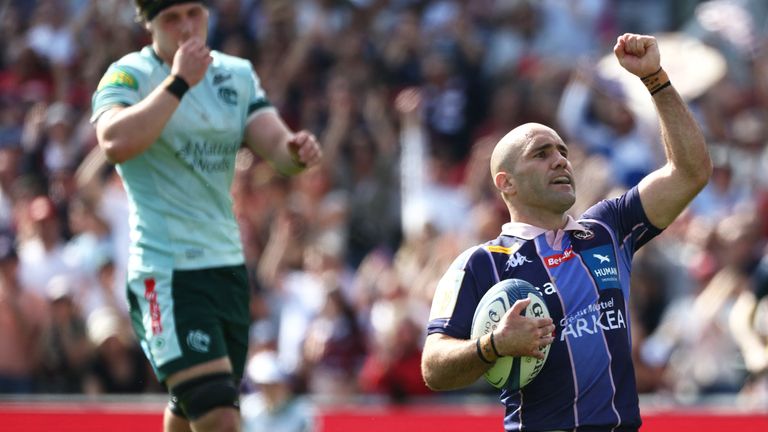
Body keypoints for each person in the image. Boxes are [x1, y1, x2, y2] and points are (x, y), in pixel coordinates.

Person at [421, 33, 712, 431]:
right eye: (541, 154)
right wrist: (493, 345)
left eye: (562, 152)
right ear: (506, 183)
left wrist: (655, 79)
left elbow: (691, 172)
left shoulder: (607, 228)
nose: (560, 161)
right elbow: (433, 367)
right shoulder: (482, 263)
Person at [90, 2, 322, 432]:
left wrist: (294, 152)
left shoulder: (235, 73)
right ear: (149, 24)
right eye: (171, 18)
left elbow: (275, 144)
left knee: (190, 408)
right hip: (166, 270)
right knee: (218, 415)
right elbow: (114, 142)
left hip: (227, 267)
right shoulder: (128, 75)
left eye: (193, 13)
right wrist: (179, 82)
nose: (186, 26)